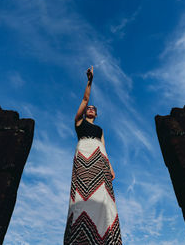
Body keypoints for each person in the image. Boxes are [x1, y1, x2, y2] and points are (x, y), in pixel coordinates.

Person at [64, 66, 122, 244]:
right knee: (82, 194)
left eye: (93, 109)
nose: (90, 108)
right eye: (88, 108)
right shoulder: (78, 122)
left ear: (96, 114)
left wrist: (110, 167)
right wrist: (90, 81)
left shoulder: (99, 129)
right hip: (83, 154)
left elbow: (104, 147)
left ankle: (104, 236)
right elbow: (85, 98)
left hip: (99, 157)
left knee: (102, 194)